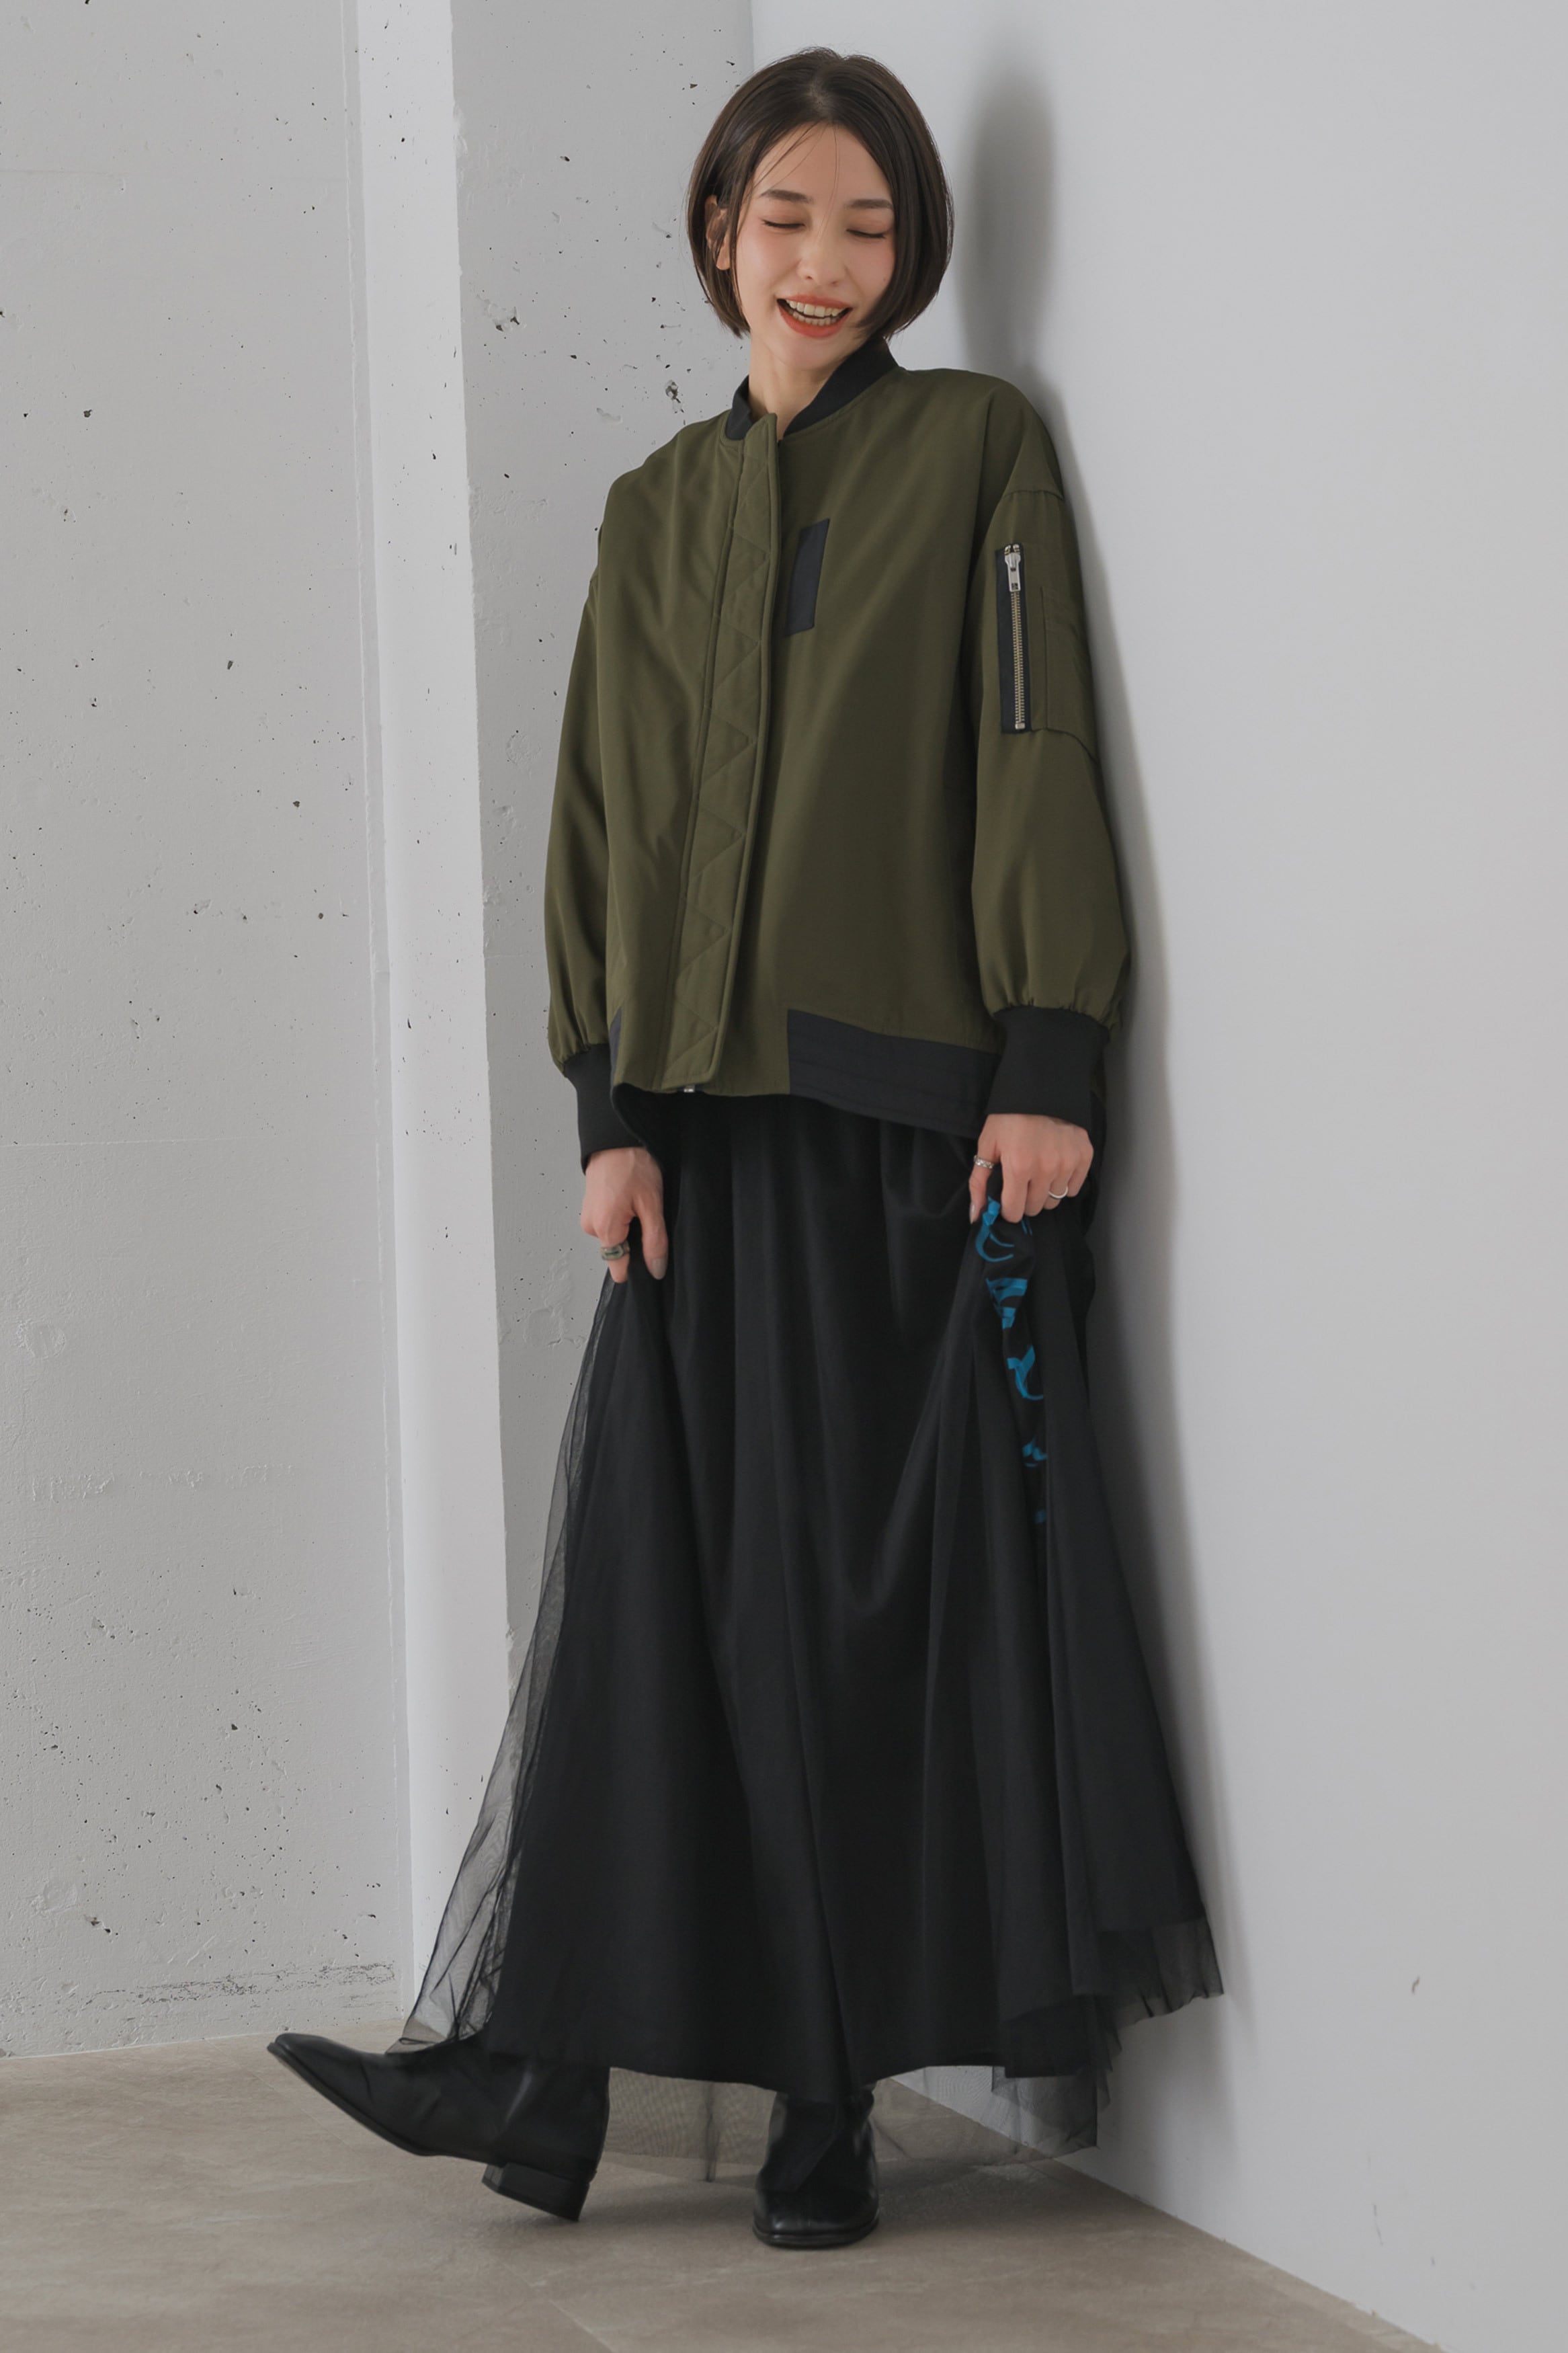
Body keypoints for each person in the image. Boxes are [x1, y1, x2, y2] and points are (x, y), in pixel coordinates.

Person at [270, 46, 1221, 2253]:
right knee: (662, 1607)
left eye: (870, 226)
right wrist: (604, 1109)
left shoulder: (973, 451)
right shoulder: (653, 509)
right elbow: (597, 819)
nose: (826, 262)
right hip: (695, 1140)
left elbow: (1033, 745)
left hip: (906, 1126)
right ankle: (537, 2064)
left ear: (914, 253)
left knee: (842, 1631)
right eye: (789, 218)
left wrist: (1051, 1052)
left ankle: (805, 2103)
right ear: (721, 234)